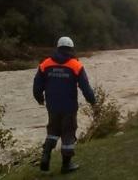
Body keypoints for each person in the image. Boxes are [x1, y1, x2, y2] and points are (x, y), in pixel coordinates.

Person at [33, 36, 96, 174]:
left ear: (58, 48)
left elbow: (37, 84)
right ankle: (66, 165)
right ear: (71, 49)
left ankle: (45, 156)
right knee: (68, 132)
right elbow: (85, 87)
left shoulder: (45, 64)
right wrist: (92, 101)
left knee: (53, 131)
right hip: (69, 106)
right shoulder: (76, 65)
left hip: (52, 105)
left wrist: (39, 98)